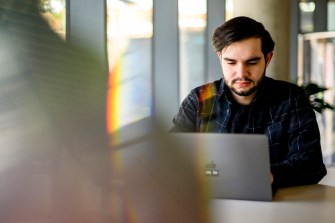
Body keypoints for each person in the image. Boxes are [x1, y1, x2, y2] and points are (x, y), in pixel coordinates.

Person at [170, 16, 327, 188]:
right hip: (209, 205)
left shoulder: (291, 98)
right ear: (219, 57)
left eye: (252, 62)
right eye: (231, 62)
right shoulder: (198, 99)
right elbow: (170, 155)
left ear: (268, 58)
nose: (241, 73)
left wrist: (265, 176)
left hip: (276, 207)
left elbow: (311, 164)